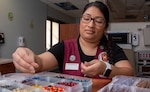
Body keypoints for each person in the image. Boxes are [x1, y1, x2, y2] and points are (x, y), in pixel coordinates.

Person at [12, 1, 134, 79]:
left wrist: (105, 68)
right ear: (80, 21)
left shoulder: (113, 48)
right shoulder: (65, 46)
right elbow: (40, 63)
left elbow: (129, 73)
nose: (91, 25)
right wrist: (29, 58)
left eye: (98, 21)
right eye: (87, 18)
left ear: (105, 27)